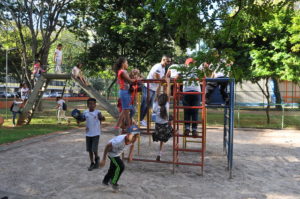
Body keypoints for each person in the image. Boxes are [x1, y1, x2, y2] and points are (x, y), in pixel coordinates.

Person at [139, 55, 171, 126]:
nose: (169, 63)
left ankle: (141, 119)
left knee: (149, 106)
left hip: (153, 88)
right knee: (144, 104)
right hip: (148, 87)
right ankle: (140, 119)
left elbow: (161, 79)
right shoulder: (158, 66)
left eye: (169, 61)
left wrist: (164, 80)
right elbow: (156, 78)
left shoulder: (163, 68)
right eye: (168, 61)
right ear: (163, 59)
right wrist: (164, 81)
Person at [114, 57, 138, 133]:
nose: (127, 64)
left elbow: (129, 80)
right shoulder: (122, 72)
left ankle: (117, 127)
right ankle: (129, 128)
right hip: (124, 92)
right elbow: (130, 81)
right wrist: (137, 80)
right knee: (126, 111)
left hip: (125, 92)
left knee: (125, 110)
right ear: (123, 64)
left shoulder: (123, 71)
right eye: (126, 63)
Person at [152, 77, 173, 161]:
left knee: (170, 118)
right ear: (166, 100)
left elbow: (156, 94)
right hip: (166, 131)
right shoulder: (167, 106)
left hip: (158, 130)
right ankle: (174, 131)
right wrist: (168, 84)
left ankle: (159, 154)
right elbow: (168, 94)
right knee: (171, 119)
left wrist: (160, 84)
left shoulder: (155, 105)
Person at [83, 98, 105, 171]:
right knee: (89, 150)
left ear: (95, 105)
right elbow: (81, 119)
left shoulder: (98, 112)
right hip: (88, 134)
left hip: (96, 133)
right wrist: (78, 118)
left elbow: (102, 118)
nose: (91, 105)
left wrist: (101, 118)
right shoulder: (85, 112)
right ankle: (92, 163)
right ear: (87, 105)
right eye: (89, 103)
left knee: (94, 149)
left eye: (93, 103)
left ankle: (97, 158)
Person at [182, 58, 201, 137]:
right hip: (196, 91)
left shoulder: (183, 70)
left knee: (187, 111)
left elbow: (176, 77)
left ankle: (187, 128)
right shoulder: (197, 70)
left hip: (186, 91)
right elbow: (204, 77)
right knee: (195, 111)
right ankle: (194, 130)